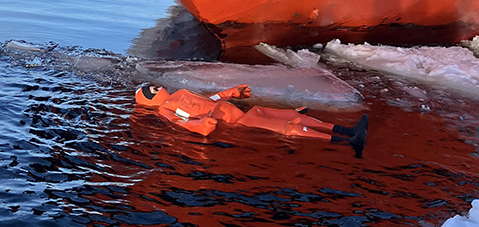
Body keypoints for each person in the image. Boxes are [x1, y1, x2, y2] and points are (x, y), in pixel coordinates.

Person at [135, 84, 368, 156]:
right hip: (242, 122)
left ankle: (348, 130)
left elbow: (210, 98)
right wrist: (201, 126)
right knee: (291, 127)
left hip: (248, 112)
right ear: (148, 99)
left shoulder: (180, 94)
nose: (156, 87)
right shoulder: (166, 110)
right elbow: (181, 123)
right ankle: (349, 142)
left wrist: (231, 92)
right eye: (150, 90)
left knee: (293, 115)